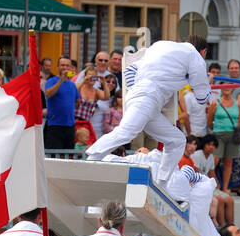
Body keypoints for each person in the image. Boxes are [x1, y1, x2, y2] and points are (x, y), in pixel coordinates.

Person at [85, 40, 210, 183]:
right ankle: (91, 157)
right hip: (147, 98)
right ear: (203, 52)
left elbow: (129, 70)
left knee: (177, 140)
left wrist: (136, 91)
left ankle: (162, 181)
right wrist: (207, 84)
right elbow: (201, 98)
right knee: (126, 133)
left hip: (146, 100)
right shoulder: (195, 57)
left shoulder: (160, 46)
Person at [43, 56, 79, 150]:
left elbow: (77, 102)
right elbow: (48, 94)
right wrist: (61, 80)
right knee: (54, 156)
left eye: (67, 65)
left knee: (68, 157)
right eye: (62, 65)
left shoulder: (72, 84)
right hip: (55, 125)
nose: (65, 68)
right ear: (58, 67)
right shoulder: (51, 81)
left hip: (70, 126)